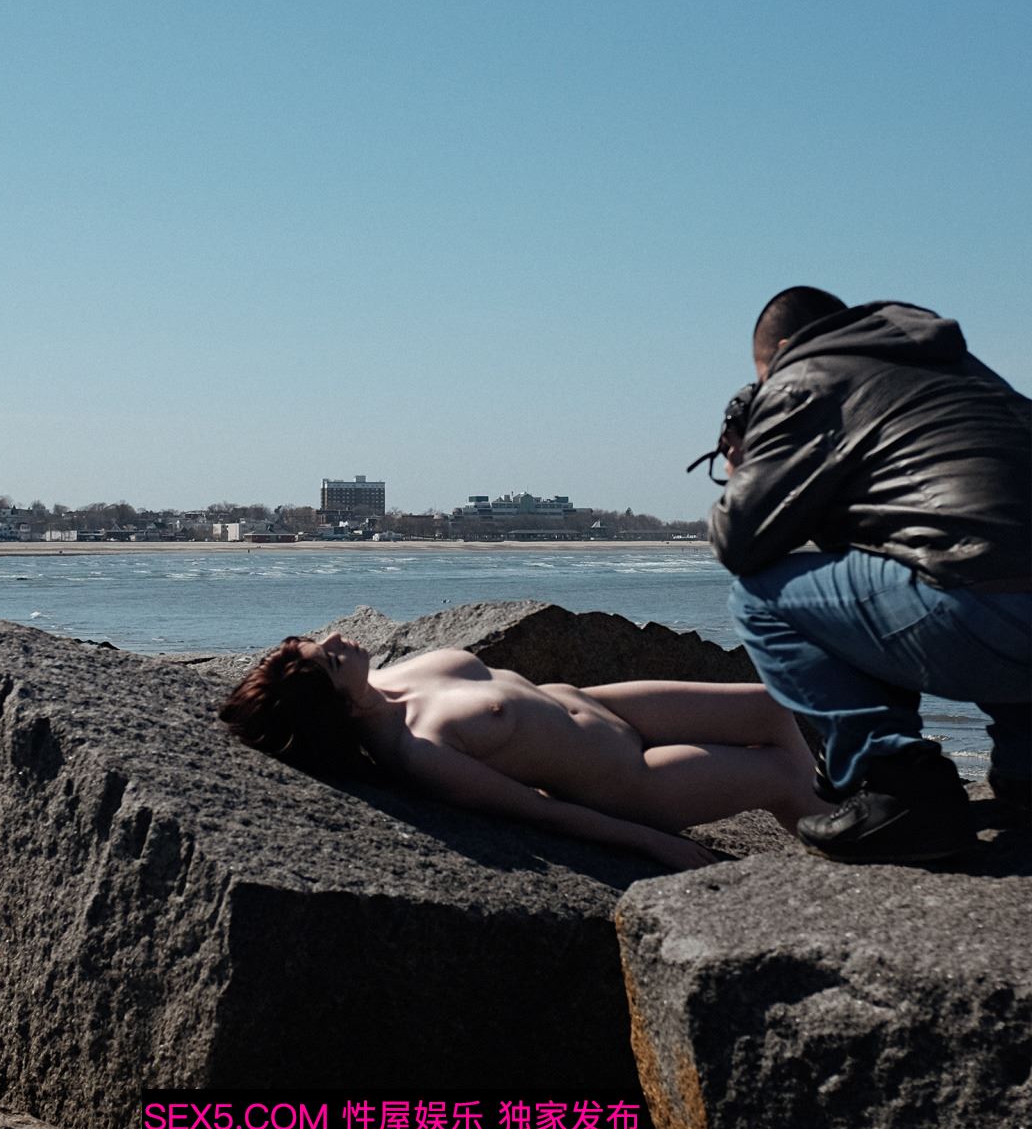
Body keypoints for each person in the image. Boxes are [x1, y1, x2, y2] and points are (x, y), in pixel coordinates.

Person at [710, 287, 1031, 864]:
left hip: (985, 610)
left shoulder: (805, 375)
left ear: (782, 350)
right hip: (1003, 601)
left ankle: (900, 785)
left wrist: (742, 465)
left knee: (759, 597)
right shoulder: (962, 370)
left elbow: (741, 542)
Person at [220, 632, 830, 871]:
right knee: (779, 773)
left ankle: (836, 817)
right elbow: (536, 811)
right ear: (338, 706)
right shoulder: (419, 753)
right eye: (329, 659)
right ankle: (842, 855)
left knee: (771, 706)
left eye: (316, 641)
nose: (335, 638)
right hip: (630, 779)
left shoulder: (385, 679)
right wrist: (651, 841)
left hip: (607, 708)